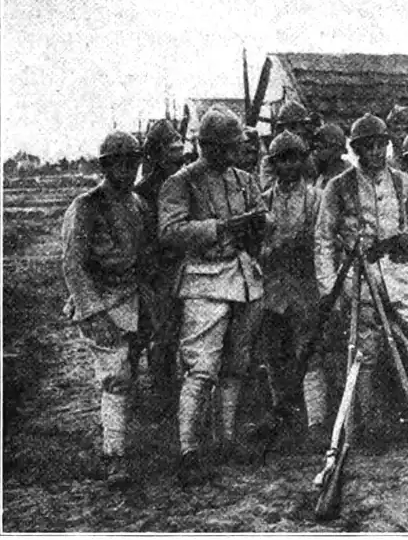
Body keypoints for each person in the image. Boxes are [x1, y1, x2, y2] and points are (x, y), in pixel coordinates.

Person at [159, 107, 270, 486]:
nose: (232, 154)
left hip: (243, 278)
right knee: (201, 368)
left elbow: (263, 218)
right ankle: (189, 449)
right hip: (204, 281)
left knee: (237, 365)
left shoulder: (245, 179)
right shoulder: (181, 182)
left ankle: (226, 439)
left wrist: (260, 223)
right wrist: (221, 228)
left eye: (235, 146)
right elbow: (170, 232)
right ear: (207, 146)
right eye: (225, 147)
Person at [314, 113, 408, 449]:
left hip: (401, 279)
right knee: (364, 355)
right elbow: (324, 240)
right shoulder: (338, 187)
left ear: (387, 146)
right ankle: (370, 428)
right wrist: (331, 289)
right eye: (366, 146)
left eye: (380, 144)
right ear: (355, 150)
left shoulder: (403, 183)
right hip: (360, 282)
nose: (374, 152)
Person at [62, 131, 147, 488]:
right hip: (100, 300)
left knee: (129, 373)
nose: (126, 170)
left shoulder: (138, 204)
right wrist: (92, 312)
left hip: (134, 300)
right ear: (105, 166)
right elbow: (73, 265)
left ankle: (129, 440)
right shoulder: (86, 206)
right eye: (118, 163)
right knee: (116, 378)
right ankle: (115, 458)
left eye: (133, 162)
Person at [258, 131, 329, 449]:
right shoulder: (264, 199)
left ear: (303, 161)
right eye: (282, 160)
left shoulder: (316, 197)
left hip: (305, 285)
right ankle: (282, 416)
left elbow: (322, 239)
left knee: (309, 352)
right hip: (273, 289)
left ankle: (316, 423)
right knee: (274, 354)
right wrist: (270, 251)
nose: (289, 166)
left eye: (295, 158)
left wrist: (295, 246)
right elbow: (257, 242)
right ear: (274, 164)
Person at [134, 120, 186, 413]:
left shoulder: (185, 181)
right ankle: (163, 395)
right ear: (155, 154)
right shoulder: (144, 191)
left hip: (184, 264)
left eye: (179, 151)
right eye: (170, 152)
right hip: (158, 270)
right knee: (161, 334)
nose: (176, 158)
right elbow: (142, 236)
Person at [261, 100, 319, 189]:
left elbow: (312, 178)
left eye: (302, 125)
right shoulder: (272, 154)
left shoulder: (307, 151)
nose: (300, 130)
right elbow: (268, 187)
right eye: (293, 126)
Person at [310, 123, 352, 196]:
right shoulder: (320, 170)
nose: (317, 151)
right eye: (316, 146)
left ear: (336, 149)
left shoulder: (346, 174)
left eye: (322, 146)